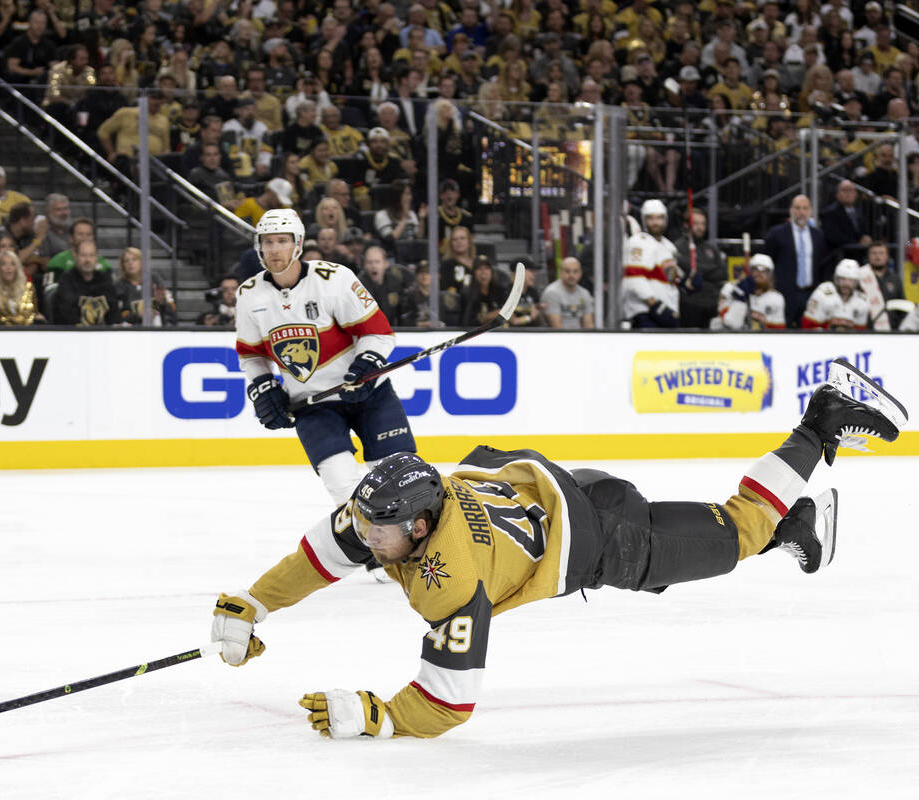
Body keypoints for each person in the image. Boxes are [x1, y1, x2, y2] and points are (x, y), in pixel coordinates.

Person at [209, 358, 907, 739]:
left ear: (420, 529)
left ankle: (819, 425)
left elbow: (449, 703)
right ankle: (794, 521)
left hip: (610, 541)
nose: (365, 539)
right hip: (572, 491)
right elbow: (321, 555)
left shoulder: (448, 579)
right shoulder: (387, 509)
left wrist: (378, 717)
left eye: (378, 534)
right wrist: (252, 604)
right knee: (725, 540)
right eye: (364, 526)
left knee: (736, 531)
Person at [235, 207, 417, 507]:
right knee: (344, 489)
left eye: (282, 240)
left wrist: (367, 362)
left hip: (369, 394)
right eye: (267, 242)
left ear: (298, 243)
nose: (274, 249)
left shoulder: (334, 279)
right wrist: (263, 386)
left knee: (402, 480)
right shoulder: (249, 294)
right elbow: (251, 355)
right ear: (258, 246)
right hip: (313, 404)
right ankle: (371, 551)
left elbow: (378, 332)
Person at [761, 194, 833, 326]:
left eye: (805, 208)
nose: (801, 212)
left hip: (811, 295)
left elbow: (823, 264)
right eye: (797, 208)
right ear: (791, 210)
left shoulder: (818, 235)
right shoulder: (776, 234)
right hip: (784, 294)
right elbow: (768, 261)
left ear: (810, 211)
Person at [621, 199, 679, 328]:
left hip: (667, 312)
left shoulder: (669, 246)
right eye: (651, 218)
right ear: (644, 220)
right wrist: (656, 306)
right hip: (646, 314)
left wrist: (686, 283)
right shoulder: (638, 243)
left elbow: (670, 280)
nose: (655, 223)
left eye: (659, 218)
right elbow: (634, 279)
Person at [673, 208, 726, 329]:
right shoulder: (678, 246)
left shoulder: (711, 248)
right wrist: (709, 269)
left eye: (703, 224)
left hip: (712, 305)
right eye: (696, 223)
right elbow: (683, 266)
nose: (700, 227)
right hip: (689, 305)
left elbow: (722, 273)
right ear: (686, 224)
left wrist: (698, 268)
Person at [51, 238, 120, 326]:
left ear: (96, 257)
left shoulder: (104, 279)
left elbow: (113, 311)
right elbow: (66, 311)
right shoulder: (66, 279)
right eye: (83, 255)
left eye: (91, 255)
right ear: (75, 256)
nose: (88, 260)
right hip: (72, 333)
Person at [715, 253, 787, 330]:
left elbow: (778, 332)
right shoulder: (730, 288)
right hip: (727, 338)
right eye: (756, 269)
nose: (759, 273)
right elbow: (731, 324)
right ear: (749, 272)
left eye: (764, 270)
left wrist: (762, 321)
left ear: (770, 276)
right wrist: (739, 299)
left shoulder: (776, 298)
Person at [801, 258, 870, 330]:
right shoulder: (822, 294)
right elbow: (808, 326)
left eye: (850, 280)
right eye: (843, 279)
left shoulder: (862, 300)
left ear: (856, 282)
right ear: (836, 279)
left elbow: (861, 333)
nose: (846, 284)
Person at [819, 179, 871, 261]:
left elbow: (863, 232)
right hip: (838, 258)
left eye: (851, 190)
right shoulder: (829, 213)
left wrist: (866, 238)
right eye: (844, 190)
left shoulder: (859, 212)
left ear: (856, 194)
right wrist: (857, 243)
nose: (848, 193)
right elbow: (833, 237)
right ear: (837, 194)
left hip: (858, 259)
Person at [0, 249, 41, 325]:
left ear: (17, 268)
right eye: (3, 264)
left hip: (28, 331)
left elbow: (35, 313)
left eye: (12, 264)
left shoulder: (28, 288)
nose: (8, 267)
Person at [541, 256, 594, 329]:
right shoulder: (551, 293)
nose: (571, 275)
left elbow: (589, 325)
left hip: (580, 338)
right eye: (567, 271)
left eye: (575, 271)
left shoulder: (584, 293)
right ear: (560, 273)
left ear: (580, 273)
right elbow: (557, 328)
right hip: (556, 338)